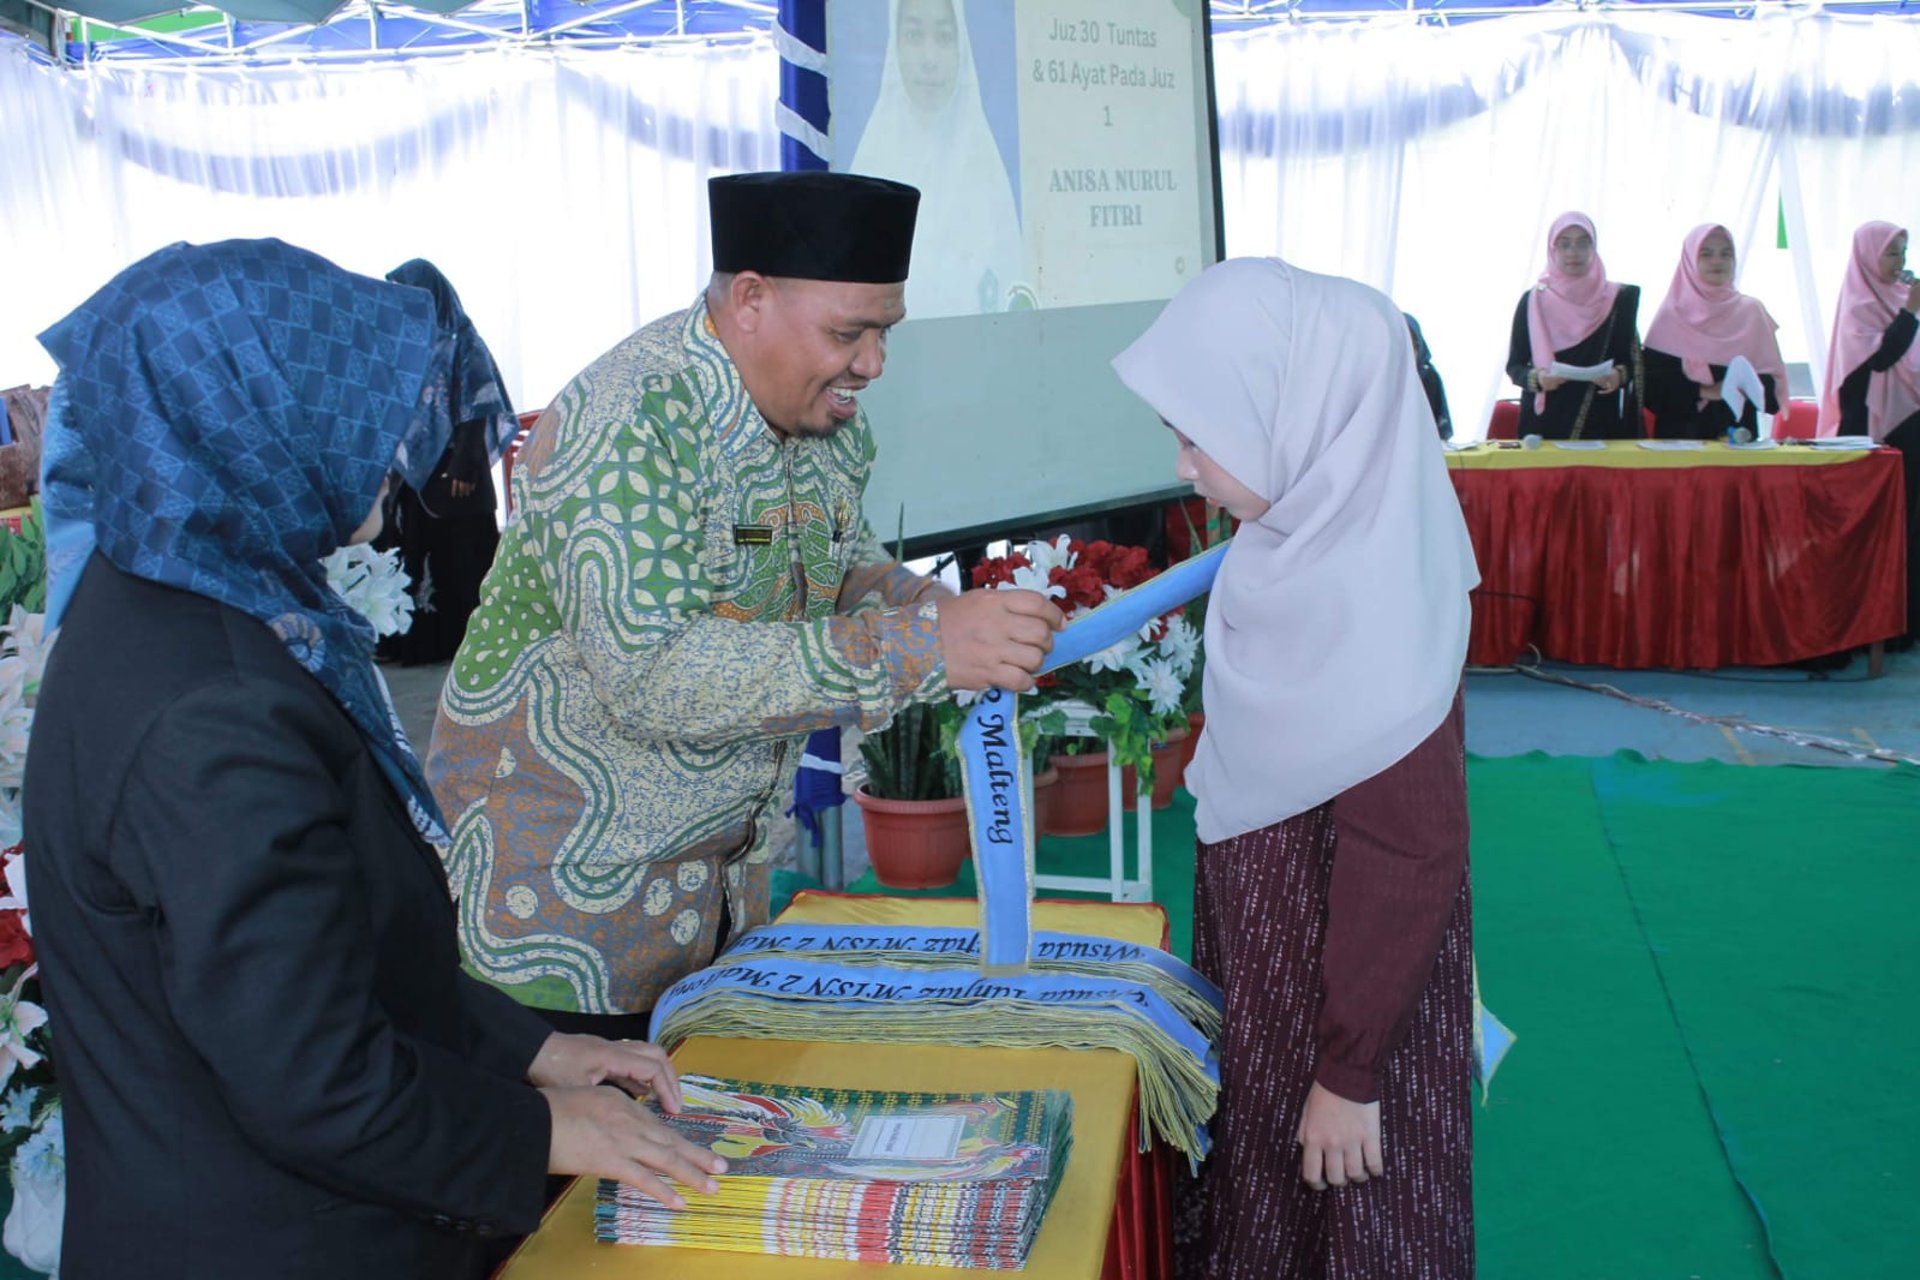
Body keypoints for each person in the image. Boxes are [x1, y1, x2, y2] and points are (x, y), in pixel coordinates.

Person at [24, 239, 725, 1279]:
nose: (393, 452)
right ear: (254, 415)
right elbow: (314, 1078)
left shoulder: (166, 598)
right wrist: (544, 1130)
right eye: (353, 407)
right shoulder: (213, 708)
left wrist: (531, 1050)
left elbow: (318, 958)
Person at [427, 172, 1063, 1038]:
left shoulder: (827, 423)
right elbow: (653, 675)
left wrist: (926, 603)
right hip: (560, 919)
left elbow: (834, 562)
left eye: (885, 331)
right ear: (752, 300)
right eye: (849, 332)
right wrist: (920, 647)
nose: (873, 364)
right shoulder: (630, 422)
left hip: (720, 902)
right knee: (578, 1132)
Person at [1114, 257, 1479, 1279]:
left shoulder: (1378, 603)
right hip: (1282, 975)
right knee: (1271, 1194)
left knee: (1352, 1214)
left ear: (1301, 415)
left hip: (1346, 1015)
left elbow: (1409, 855)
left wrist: (1351, 1072)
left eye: (1200, 434)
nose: (1185, 464)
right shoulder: (1291, 551)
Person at [374, 259, 517, 666]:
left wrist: (467, 463)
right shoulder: (407, 341)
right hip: (413, 474)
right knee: (410, 552)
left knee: (461, 559)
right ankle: (415, 643)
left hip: (456, 472)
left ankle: (468, 643)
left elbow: (480, 403)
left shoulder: (463, 341)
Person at [849, 0, 1030, 318]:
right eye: (914, 36)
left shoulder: (989, 179)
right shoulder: (867, 178)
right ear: (895, 46)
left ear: (962, 50)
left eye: (945, 37)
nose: (929, 59)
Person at [1820, 219, 1920, 641]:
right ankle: (1866, 624)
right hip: (1868, 429)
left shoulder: (1900, 299)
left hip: (1910, 424)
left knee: (1910, 525)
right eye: (1890, 252)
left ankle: (1905, 621)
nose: (1899, 261)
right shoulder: (1859, 305)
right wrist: (1911, 312)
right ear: (1867, 256)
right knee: (1873, 527)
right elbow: (1880, 358)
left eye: (1903, 252)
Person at [1642, 224, 1789, 440]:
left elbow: (1771, 398)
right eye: (1706, 254)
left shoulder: (1751, 312)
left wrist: (1746, 386)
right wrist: (1704, 391)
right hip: (1679, 441)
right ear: (1690, 261)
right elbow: (1650, 391)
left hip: (1738, 440)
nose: (1717, 261)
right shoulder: (1671, 315)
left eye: (1725, 254)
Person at [1506, 211, 1643, 439]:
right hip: (1546, 424)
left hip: (1600, 422)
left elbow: (1631, 362)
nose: (1573, 252)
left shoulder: (1618, 299)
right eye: (1564, 244)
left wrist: (1619, 375)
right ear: (1552, 249)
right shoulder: (1533, 301)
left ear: (1593, 248)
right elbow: (1515, 365)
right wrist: (1538, 379)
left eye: (1583, 243)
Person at [1404, 312, 1452, 439]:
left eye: (1414, 345)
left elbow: (1428, 429)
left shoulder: (1427, 376)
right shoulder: (1377, 378)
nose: (1409, 352)